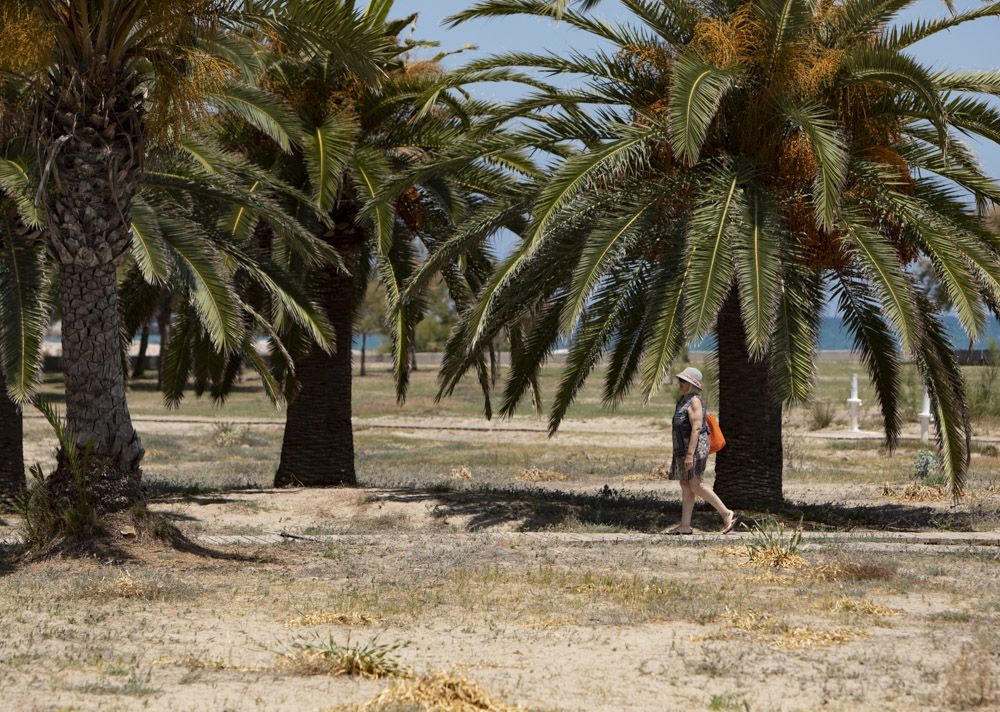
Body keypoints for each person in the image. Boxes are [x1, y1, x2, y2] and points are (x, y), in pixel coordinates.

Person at [666, 367, 740, 534]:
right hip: (682, 449)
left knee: (696, 484)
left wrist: (690, 455)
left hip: (694, 450)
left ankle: (727, 513)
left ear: (692, 384)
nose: (681, 384)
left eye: (684, 382)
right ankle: (685, 526)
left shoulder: (694, 401)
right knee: (685, 484)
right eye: (680, 381)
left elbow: (696, 428)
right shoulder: (682, 400)